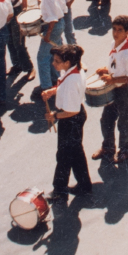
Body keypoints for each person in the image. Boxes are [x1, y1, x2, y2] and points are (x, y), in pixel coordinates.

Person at [43, 43, 93, 202]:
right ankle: (84, 185)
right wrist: (53, 91)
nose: (54, 63)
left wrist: (54, 116)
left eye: (57, 61)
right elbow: (66, 88)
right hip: (74, 117)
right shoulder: (74, 71)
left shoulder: (72, 81)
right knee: (76, 153)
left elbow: (72, 111)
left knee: (64, 156)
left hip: (70, 119)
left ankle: (59, 190)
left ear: (67, 63)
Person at [92, 15, 128, 164]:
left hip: (124, 91)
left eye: (120, 30)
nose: (116, 33)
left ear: (127, 32)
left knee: (125, 123)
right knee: (106, 120)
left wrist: (113, 80)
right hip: (114, 88)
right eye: (114, 29)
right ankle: (108, 148)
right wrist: (106, 70)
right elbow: (115, 67)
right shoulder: (114, 44)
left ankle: (125, 150)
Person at [32, 0, 67, 100]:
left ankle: (46, 87)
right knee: (54, 54)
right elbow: (63, 10)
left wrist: (47, 35)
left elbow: (52, 19)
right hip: (61, 24)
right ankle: (55, 79)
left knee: (42, 58)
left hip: (53, 27)